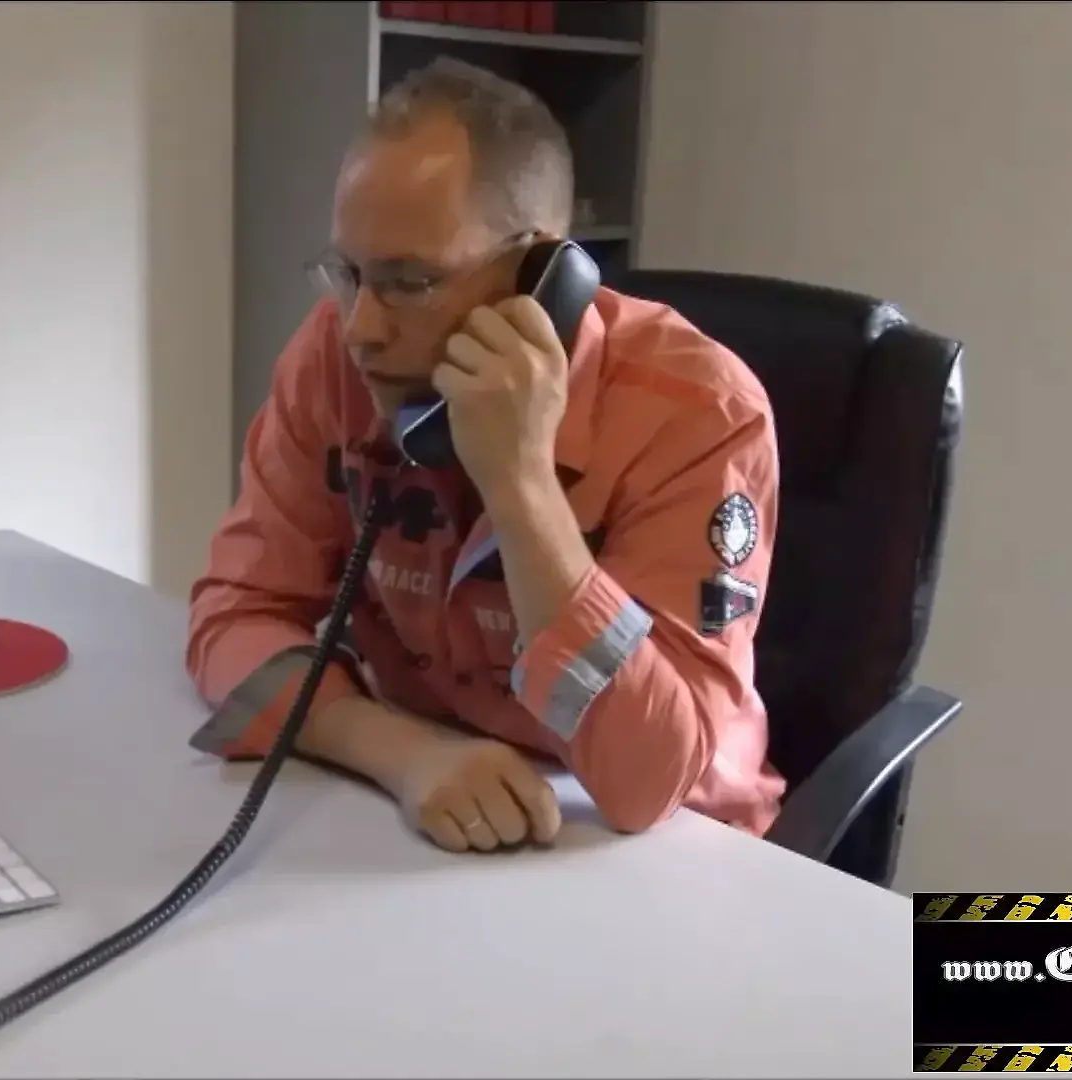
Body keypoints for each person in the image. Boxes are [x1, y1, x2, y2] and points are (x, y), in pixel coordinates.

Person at [185, 58, 784, 853]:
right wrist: (403, 754)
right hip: (448, 810)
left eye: (409, 282)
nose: (362, 329)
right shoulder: (334, 359)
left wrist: (522, 485)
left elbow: (645, 780)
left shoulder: (699, 411)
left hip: (675, 849)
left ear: (540, 278)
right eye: (351, 274)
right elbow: (234, 616)